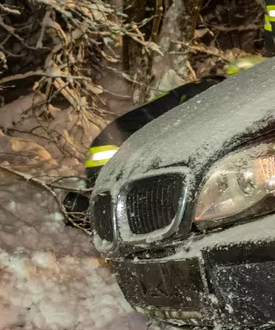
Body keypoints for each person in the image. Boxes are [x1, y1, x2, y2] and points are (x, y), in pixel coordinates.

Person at [62, 55, 263, 226]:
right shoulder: (208, 91)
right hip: (117, 144)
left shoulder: (209, 89)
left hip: (127, 141)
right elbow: (191, 128)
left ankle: (87, 211)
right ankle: (83, 213)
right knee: (115, 200)